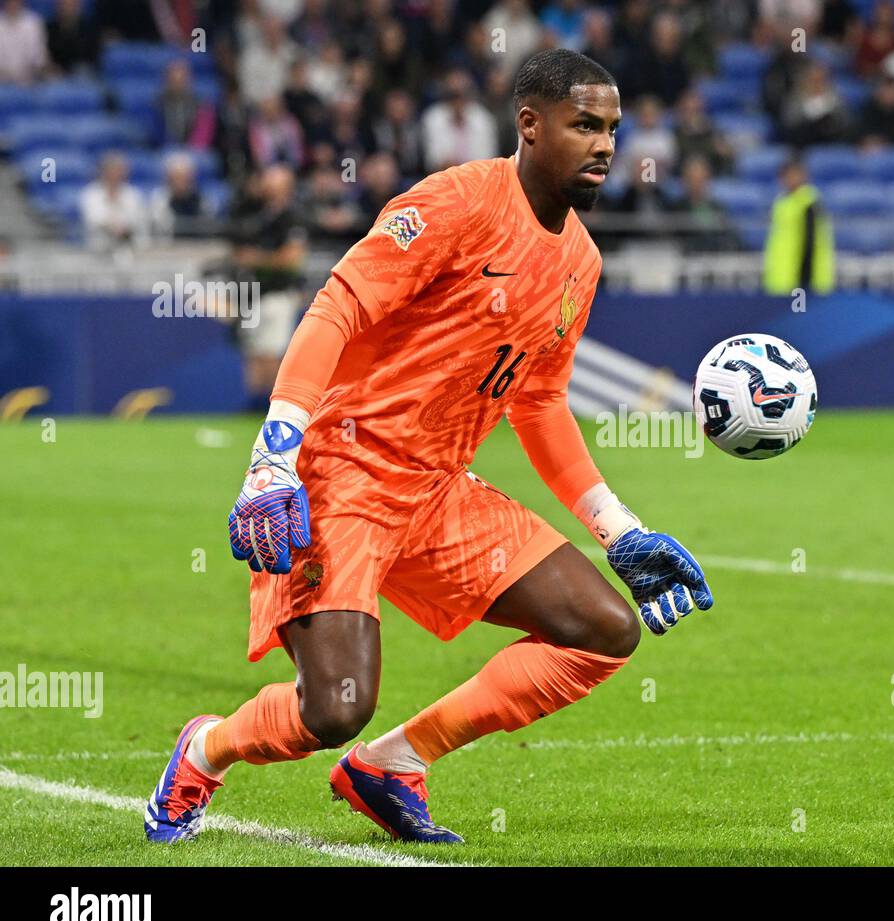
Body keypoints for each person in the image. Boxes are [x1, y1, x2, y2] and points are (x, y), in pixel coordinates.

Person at [144, 49, 713, 846]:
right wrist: (273, 456)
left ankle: (394, 762)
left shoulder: (580, 261)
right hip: (343, 472)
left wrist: (619, 527)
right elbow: (334, 309)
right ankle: (206, 748)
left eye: (613, 128)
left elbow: (540, 401)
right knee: (334, 707)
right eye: (586, 124)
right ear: (530, 124)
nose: (605, 144)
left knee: (603, 630)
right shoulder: (456, 203)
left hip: (439, 489)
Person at [228, 164, 308, 403]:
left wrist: (255, 258)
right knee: (253, 352)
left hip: (277, 293)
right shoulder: (258, 213)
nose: (266, 184)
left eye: (273, 180)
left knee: (272, 353)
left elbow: (292, 258)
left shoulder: (292, 217)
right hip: (253, 294)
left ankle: (271, 408)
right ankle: (254, 404)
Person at [763, 157, 835, 295]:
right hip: (782, 277)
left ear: (804, 176)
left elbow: (810, 242)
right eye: (787, 176)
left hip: (801, 279)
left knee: (801, 315)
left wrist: (805, 281)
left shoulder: (809, 203)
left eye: (795, 175)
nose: (791, 179)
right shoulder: (782, 202)